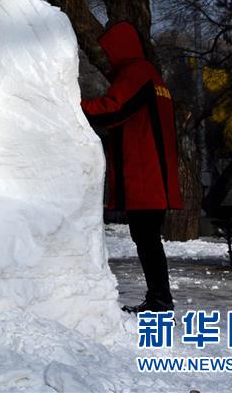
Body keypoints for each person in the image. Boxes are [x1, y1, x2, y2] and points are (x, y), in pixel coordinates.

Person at [81, 21, 182, 314]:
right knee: (148, 240)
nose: (108, 57)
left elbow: (114, 108)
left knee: (147, 240)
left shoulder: (136, 74)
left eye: (109, 51)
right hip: (154, 174)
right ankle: (159, 299)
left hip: (145, 175)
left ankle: (160, 301)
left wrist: (77, 106)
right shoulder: (153, 77)